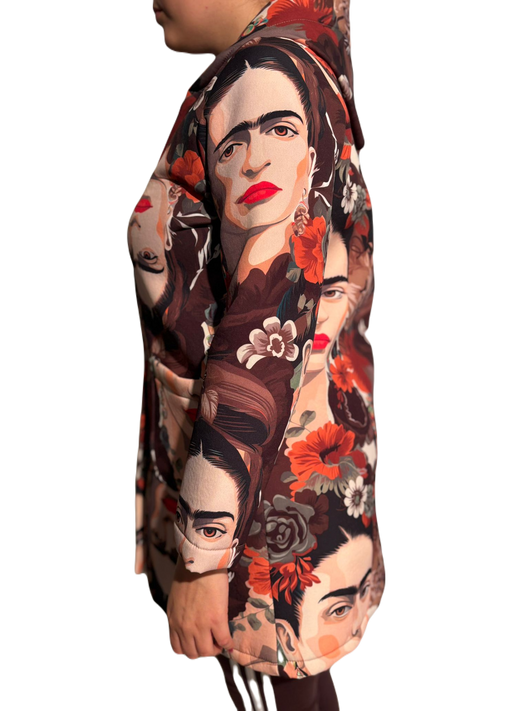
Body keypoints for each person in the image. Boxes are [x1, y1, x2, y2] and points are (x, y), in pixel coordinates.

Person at [129, 1, 388, 709]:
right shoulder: (305, 68)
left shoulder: (262, 75)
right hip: (288, 483)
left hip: (253, 512)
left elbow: (262, 328)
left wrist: (204, 556)